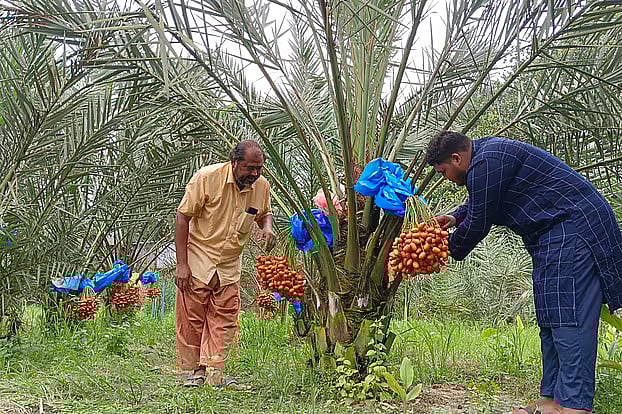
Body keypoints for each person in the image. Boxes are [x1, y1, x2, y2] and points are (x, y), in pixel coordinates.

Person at [425, 131, 622, 414]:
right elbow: (479, 203)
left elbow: (481, 218)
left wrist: (442, 250)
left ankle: (575, 404)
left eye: (444, 171)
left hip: (574, 228)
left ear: (457, 158)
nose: (446, 178)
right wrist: (454, 218)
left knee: (570, 313)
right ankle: (552, 397)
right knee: (550, 315)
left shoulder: (487, 160)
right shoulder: (487, 160)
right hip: (551, 236)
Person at [175, 140, 274, 388]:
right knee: (192, 319)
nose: (254, 174)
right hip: (199, 258)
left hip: (230, 264)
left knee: (225, 319)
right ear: (234, 162)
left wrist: (268, 229)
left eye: (259, 168)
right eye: (250, 168)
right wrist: (182, 265)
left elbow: (264, 214)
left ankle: (215, 373)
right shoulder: (207, 177)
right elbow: (182, 216)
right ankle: (194, 372)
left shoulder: (261, 186)